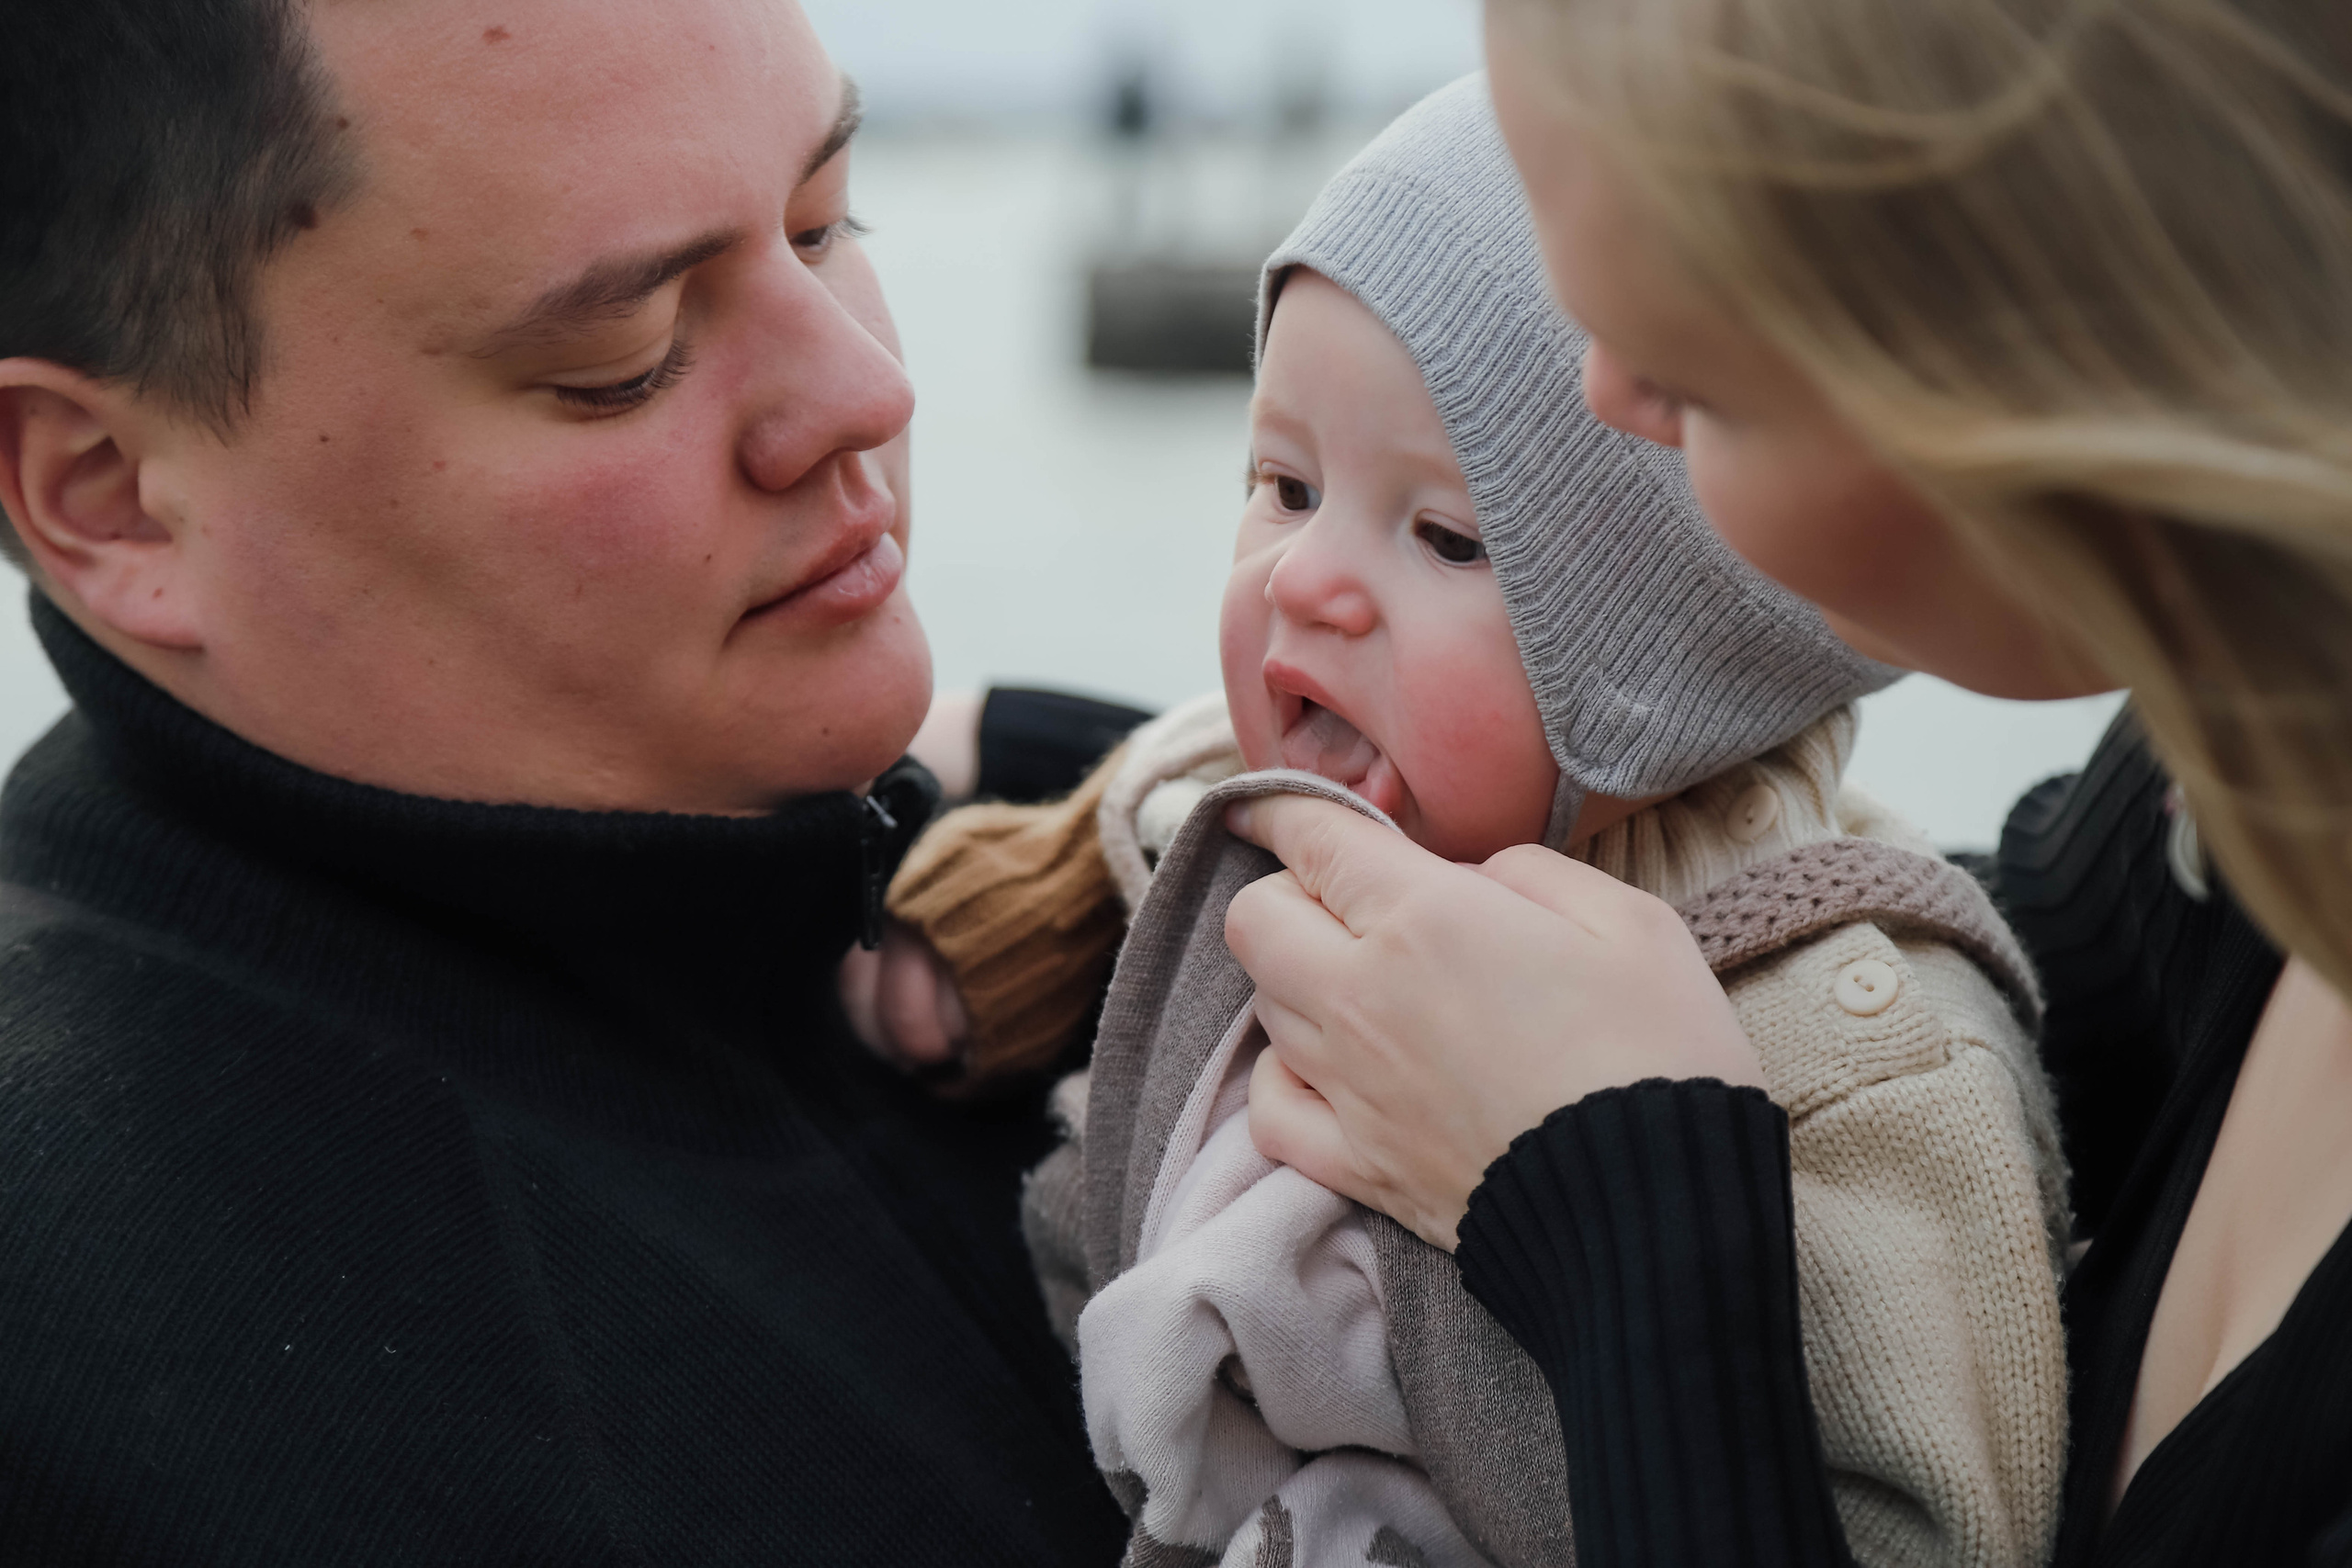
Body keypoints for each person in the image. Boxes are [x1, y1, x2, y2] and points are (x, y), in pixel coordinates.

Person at [874, 78, 2070, 1568]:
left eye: (1444, 534)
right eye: (1284, 484)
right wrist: (987, 937)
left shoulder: (1853, 1058)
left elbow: (1925, 1530)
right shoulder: (1299, 816)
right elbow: (1157, 805)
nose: (1305, 577)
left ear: (1670, 660)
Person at [1217, 3, 2352, 1564]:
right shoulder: (2251, 771)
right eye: (1282, 489)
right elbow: (1975, 921)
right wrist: (1074, 767)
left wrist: (1616, 1203)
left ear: (2057, 289)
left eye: (1688, 361)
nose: (1607, 393)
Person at [0, 0, 1128, 1559]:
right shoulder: (116, 1377)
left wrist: (1118, 801)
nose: (868, 392)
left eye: (823, 224)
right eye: (625, 360)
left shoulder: (1006, 885)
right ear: (111, 498)